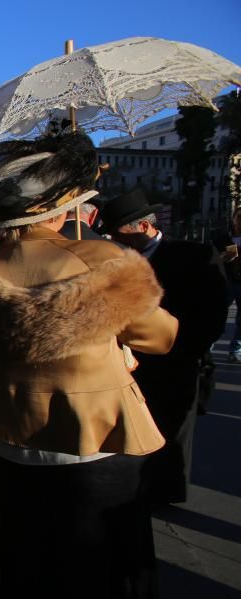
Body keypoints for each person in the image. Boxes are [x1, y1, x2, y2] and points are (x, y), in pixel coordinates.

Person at [0, 132, 178, 599]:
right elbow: (163, 336)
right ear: (62, 205)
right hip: (90, 441)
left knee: (26, 554)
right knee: (97, 569)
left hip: (10, 438)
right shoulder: (101, 260)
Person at [102, 189, 228, 504]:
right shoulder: (116, 261)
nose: (116, 239)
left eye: (120, 233)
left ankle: (166, 490)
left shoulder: (194, 255)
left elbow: (213, 311)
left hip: (177, 359)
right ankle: (140, 482)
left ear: (143, 227)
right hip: (133, 362)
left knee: (173, 431)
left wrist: (187, 349)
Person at [213, 209, 241, 363]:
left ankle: (235, 350)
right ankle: (208, 346)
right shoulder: (224, 239)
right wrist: (224, 258)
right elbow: (213, 258)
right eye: (239, 218)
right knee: (218, 315)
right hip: (227, 281)